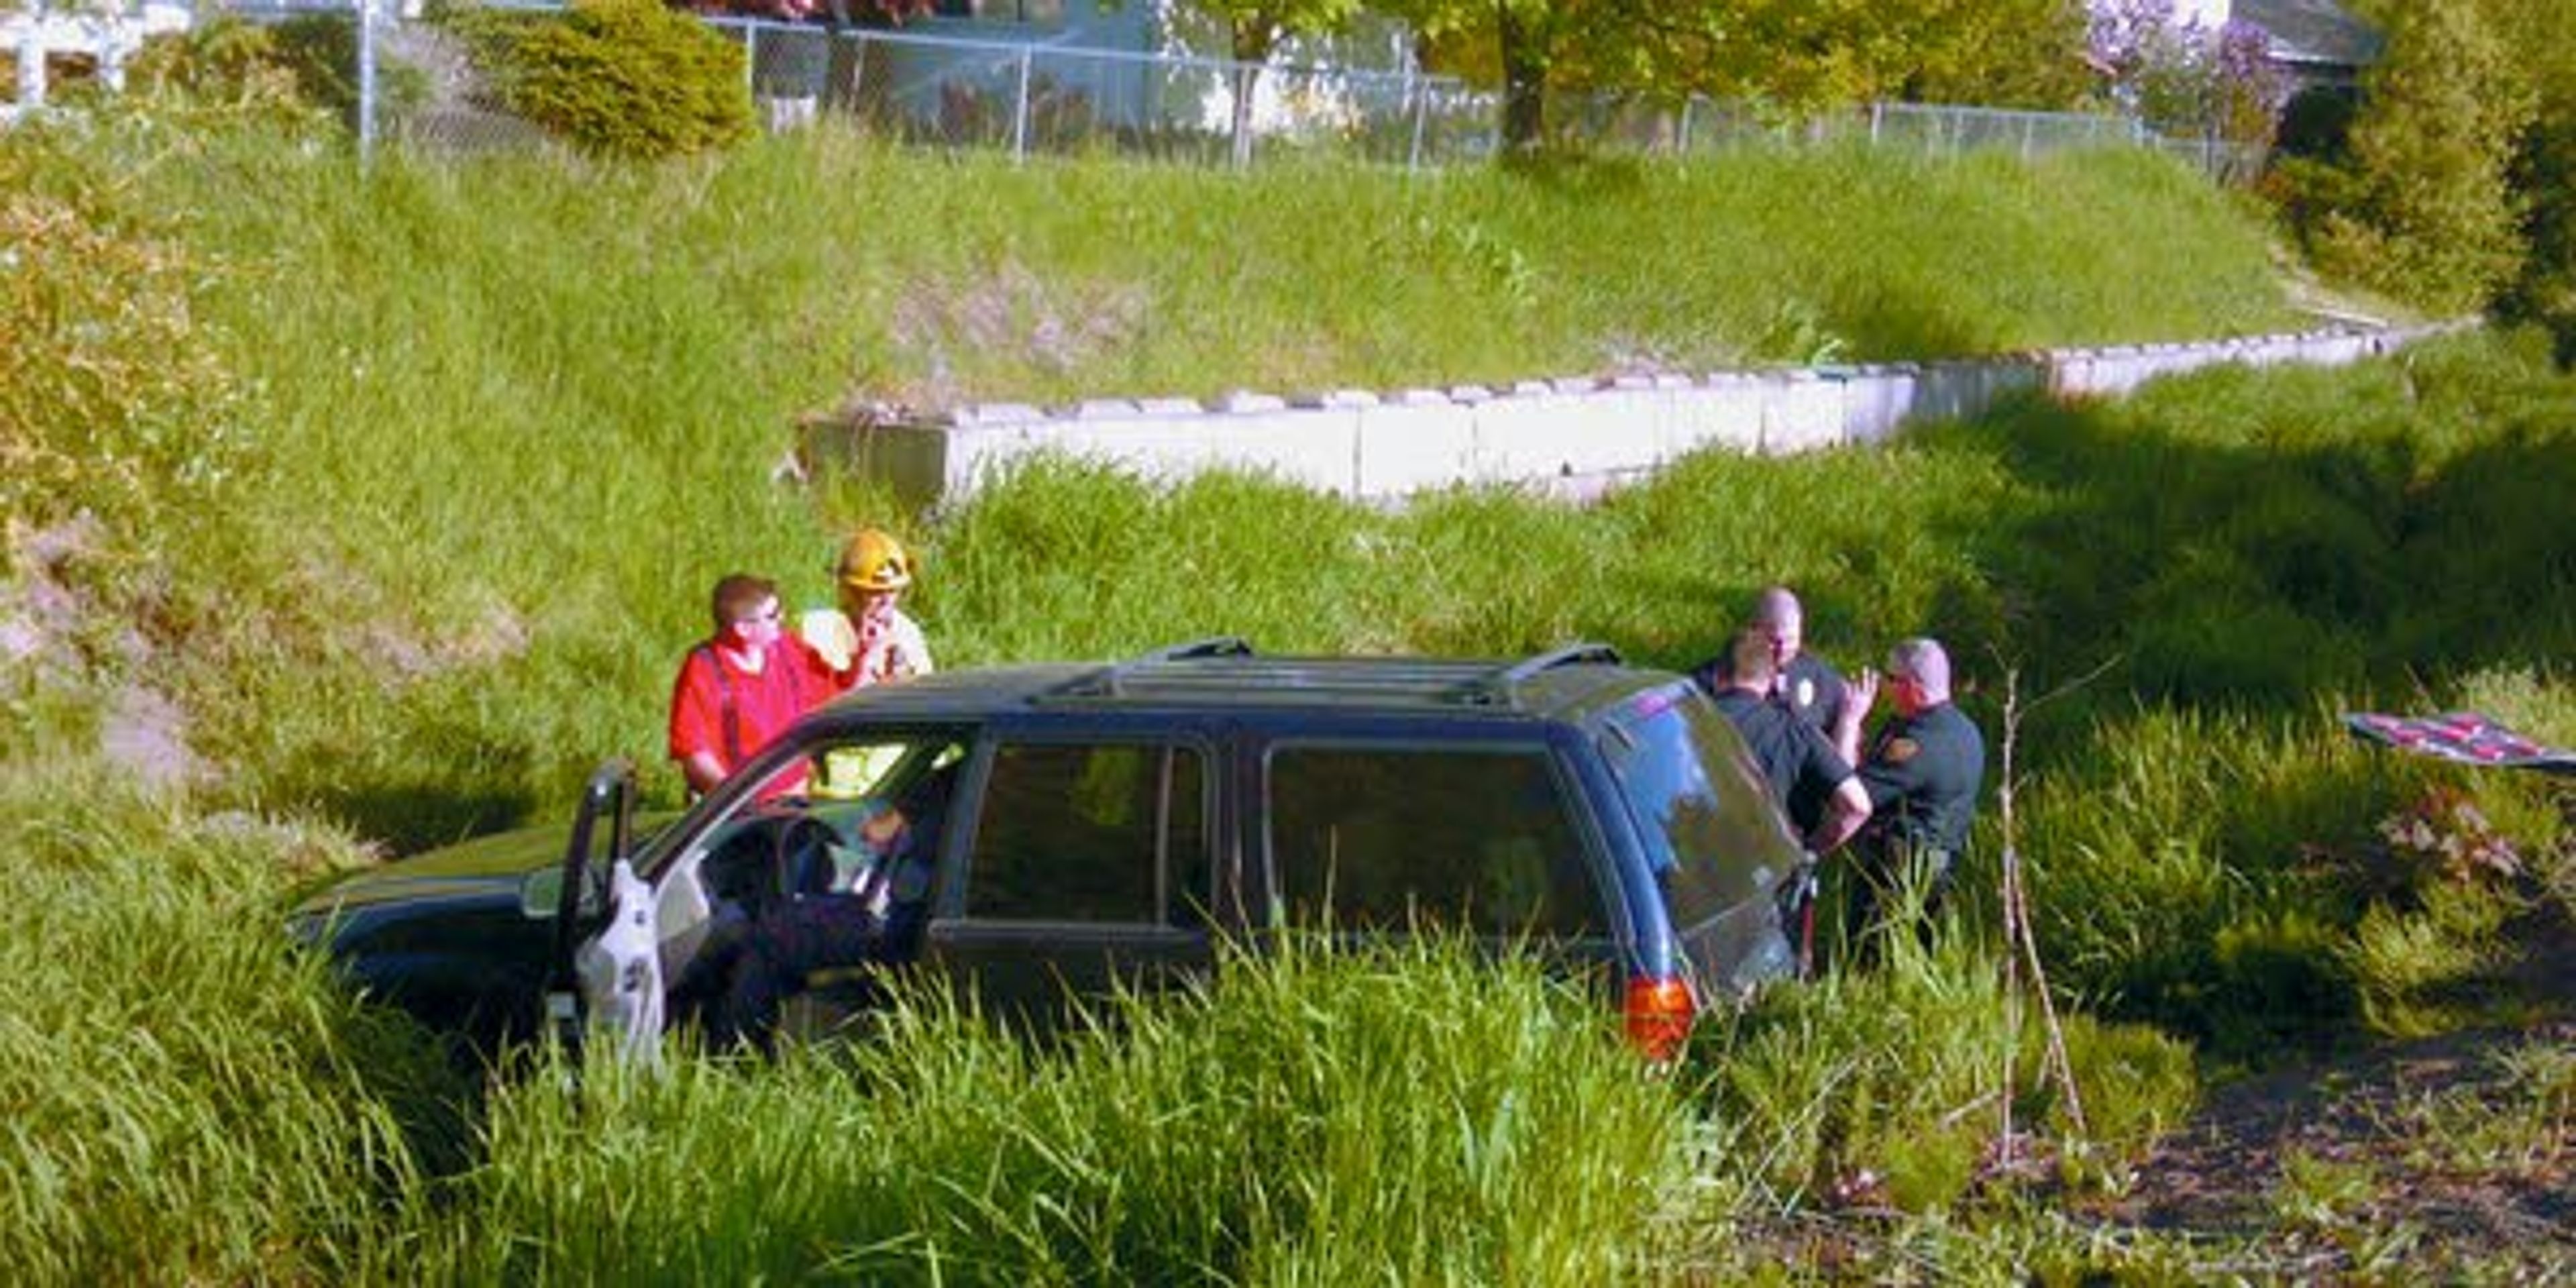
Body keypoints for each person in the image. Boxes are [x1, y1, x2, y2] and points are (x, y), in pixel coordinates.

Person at [1839, 637, 1985, 945]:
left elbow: (1848, 794)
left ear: (1912, 687)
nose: (1884, 687)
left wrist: (1850, 721)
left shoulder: (1915, 745)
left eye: (1890, 679)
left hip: (1896, 876)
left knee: (1868, 958)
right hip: (1940, 873)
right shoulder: (1966, 731)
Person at [668, 574, 837, 798]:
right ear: (743, 629)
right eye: (773, 615)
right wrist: (736, 799)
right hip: (738, 809)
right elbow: (694, 754)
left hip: (795, 800)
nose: (782, 618)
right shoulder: (703, 669)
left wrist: (868, 656)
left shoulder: (789, 648)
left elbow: (837, 694)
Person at [1707, 630, 1870, 856]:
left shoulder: (1687, 723)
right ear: (1771, 681)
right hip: (1775, 873)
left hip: (1699, 869)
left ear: (1717, 676)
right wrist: (1808, 853)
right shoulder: (1797, 733)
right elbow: (1857, 806)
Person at [1690, 585, 1848, 739]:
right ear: (1754, 631)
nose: (1782, 650)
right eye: (1774, 641)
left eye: (1791, 640)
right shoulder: (1717, 678)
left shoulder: (1819, 678)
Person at [802, 528, 935, 692]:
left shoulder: (907, 632)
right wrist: (868, 657)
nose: (886, 601)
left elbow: (925, 698)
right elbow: (823, 709)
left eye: (893, 591)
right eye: (875, 593)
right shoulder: (820, 630)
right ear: (851, 593)